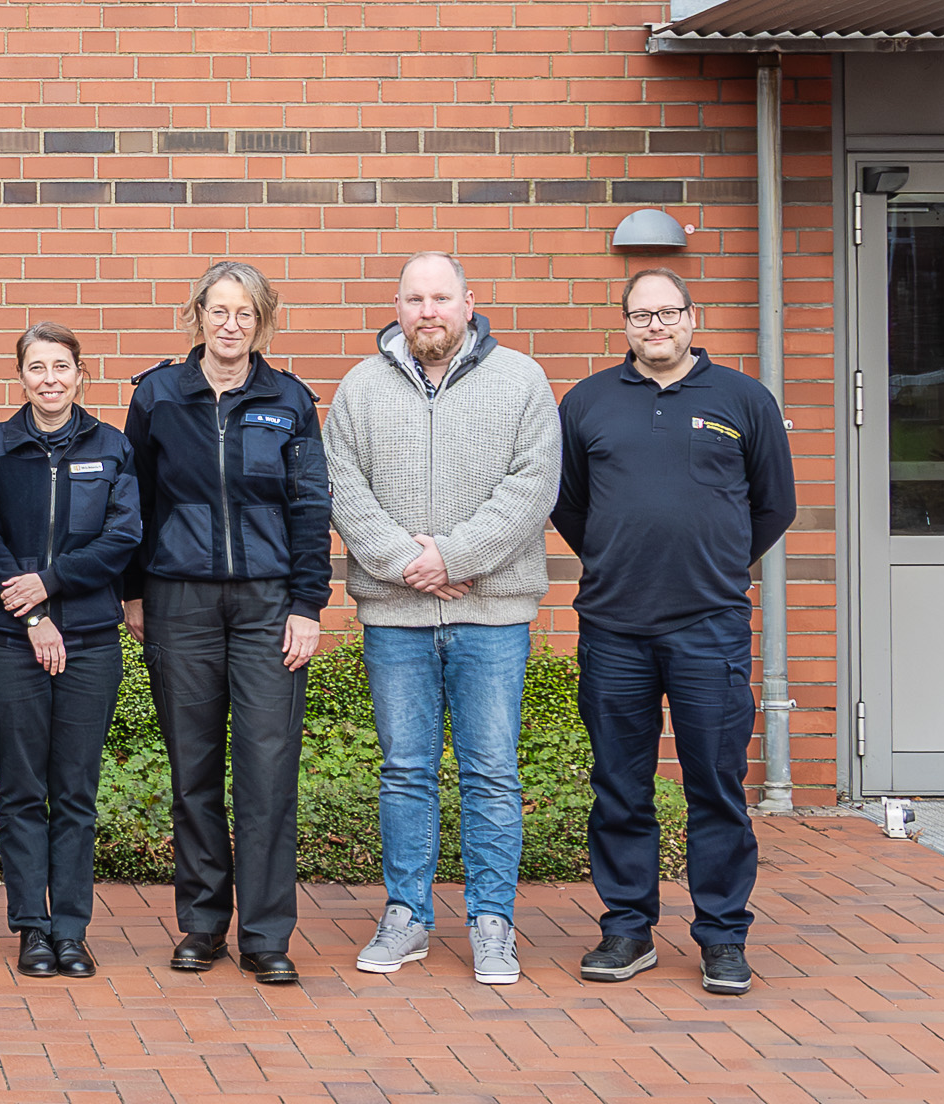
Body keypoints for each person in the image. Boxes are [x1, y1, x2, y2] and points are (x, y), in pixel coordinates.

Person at [552, 269, 794, 997]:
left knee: (715, 786)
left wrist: (713, 562)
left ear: (694, 317)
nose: (654, 326)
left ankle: (722, 935)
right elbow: (570, 508)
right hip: (615, 628)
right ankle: (627, 927)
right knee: (620, 786)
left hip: (709, 628)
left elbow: (774, 506)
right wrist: (623, 557)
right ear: (623, 323)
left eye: (668, 313)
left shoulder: (744, 400)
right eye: (640, 315)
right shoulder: (588, 402)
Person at [325, 251, 561, 988]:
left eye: (441, 297)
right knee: (404, 773)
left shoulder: (522, 380)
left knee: (491, 773)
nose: (428, 311)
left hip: (492, 614)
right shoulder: (359, 390)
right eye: (415, 298)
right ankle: (407, 916)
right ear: (397, 306)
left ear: (468, 303)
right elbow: (343, 487)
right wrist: (409, 565)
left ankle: (493, 922)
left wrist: (453, 558)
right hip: (395, 617)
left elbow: (533, 487)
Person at [121, 258, 329, 987]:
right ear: (198, 316)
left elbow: (310, 508)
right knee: (194, 768)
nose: (231, 325)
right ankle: (204, 924)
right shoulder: (158, 397)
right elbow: (135, 503)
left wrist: (308, 604)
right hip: (179, 599)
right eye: (219, 311)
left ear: (261, 321)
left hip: (269, 603)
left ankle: (267, 933)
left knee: (268, 772)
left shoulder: (290, 400)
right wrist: (133, 593)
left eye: (245, 314)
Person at [0, 322, 141, 980]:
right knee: (22, 791)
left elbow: (124, 539)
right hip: (12, 642)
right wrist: (34, 613)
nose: (49, 379)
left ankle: (70, 928)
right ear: (22, 376)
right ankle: (31, 929)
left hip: (92, 642)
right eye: (36, 367)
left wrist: (53, 581)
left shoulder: (113, 447)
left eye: (60, 366)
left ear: (79, 373)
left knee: (75, 793)